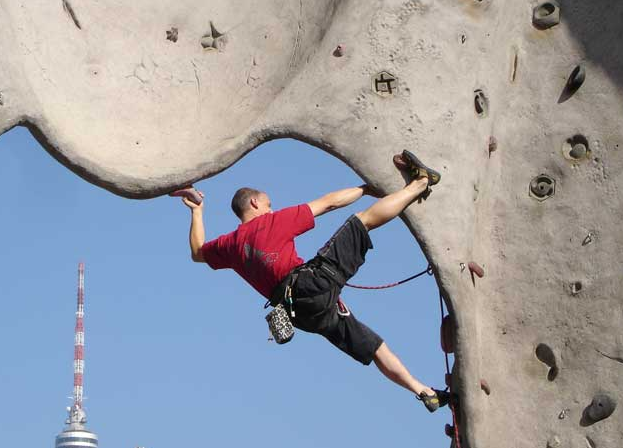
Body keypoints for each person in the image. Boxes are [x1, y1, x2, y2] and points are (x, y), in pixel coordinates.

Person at [180, 150, 450, 412]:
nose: (271, 207)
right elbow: (329, 202)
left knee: (373, 346)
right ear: (254, 204)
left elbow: (197, 253)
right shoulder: (271, 222)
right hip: (310, 285)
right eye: (268, 203)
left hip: (301, 315)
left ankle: (423, 391)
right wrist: (365, 189)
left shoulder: (229, 245)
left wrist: (197, 212)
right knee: (361, 221)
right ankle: (421, 183)